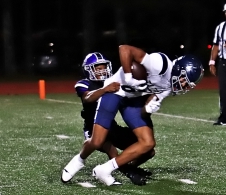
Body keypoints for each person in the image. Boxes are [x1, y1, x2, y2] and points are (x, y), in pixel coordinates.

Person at [61, 45, 204, 186]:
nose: (185, 87)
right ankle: (78, 160)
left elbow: (151, 102)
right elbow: (124, 48)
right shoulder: (160, 64)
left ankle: (105, 169)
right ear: (179, 70)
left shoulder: (171, 85)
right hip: (115, 92)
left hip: (132, 99)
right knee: (97, 141)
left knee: (148, 143)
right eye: (185, 81)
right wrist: (128, 75)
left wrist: (151, 105)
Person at [64, 52, 154, 185]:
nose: (102, 70)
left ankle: (130, 167)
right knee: (110, 149)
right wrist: (105, 89)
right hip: (93, 128)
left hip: (111, 127)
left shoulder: (114, 81)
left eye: (104, 67)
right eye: (98, 68)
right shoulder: (83, 84)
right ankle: (128, 172)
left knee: (148, 150)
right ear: (89, 70)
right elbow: (88, 98)